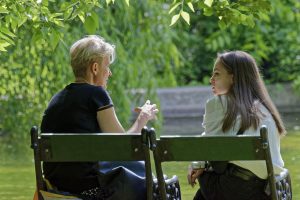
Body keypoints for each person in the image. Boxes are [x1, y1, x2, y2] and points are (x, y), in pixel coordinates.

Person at [40, 35, 159, 200]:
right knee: (149, 180)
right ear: (95, 68)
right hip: (89, 189)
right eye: (107, 66)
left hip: (55, 187)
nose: (109, 73)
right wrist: (143, 118)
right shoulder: (97, 95)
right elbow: (123, 148)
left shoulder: (57, 99)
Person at [187, 51, 286, 200]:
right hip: (264, 190)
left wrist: (196, 164)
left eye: (217, 74)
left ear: (233, 77)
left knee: (206, 173)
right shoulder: (265, 108)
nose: (211, 80)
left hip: (231, 189)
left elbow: (206, 146)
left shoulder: (217, 103)